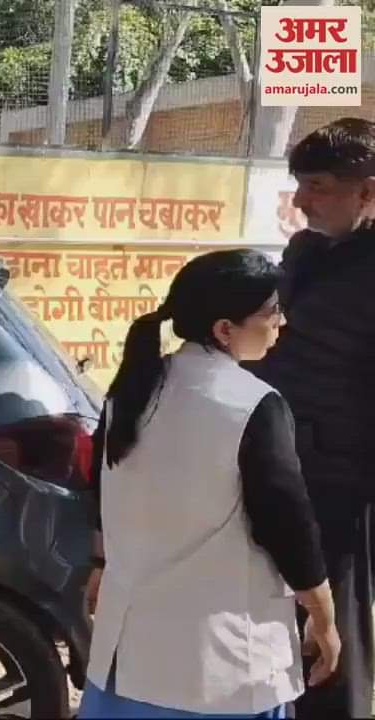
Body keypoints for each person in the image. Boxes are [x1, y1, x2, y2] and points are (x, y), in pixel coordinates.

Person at [80, 249, 340, 719]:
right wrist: (323, 614)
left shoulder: (131, 391)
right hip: (219, 673)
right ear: (224, 329)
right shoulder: (251, 404)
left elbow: (100, 488)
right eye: (272, 311)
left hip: (126, 663)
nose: (281, 322)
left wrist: (100, 561)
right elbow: (287, 523)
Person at [245, 117, 375, 719]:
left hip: (349, 482)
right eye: (299, 185)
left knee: (333, 630)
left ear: (368, 191)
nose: (300, 201)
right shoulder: (304, 252)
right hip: (289, 463)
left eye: (318, 186)